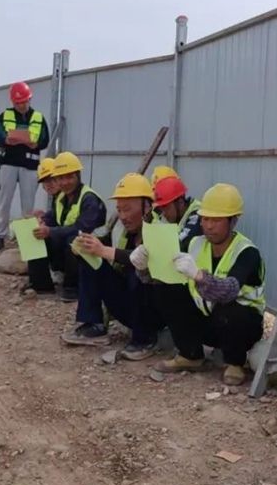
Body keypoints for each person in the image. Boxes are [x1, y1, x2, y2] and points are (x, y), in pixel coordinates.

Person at [147, 183, 265, 386]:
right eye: (205, 219)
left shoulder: (247, 252)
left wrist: (199, 275)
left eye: (216, 220)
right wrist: (145, 266)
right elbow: (170, 275)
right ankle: (190, 354)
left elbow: (229, 290)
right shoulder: (196, 243)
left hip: (242, 328)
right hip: (209, 320)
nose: (208, 226)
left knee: (231, 310)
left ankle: (235, 362)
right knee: (166, 290)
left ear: (233, 221)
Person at [65, 173, 165, 360]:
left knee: (138, 272)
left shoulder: (160, 229)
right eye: (119, 210)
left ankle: (145, 339)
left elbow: (143, 259)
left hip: (154, 311)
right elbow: (111, 255)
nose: (123, 216)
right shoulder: (122, 230)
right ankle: (94, 324)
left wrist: (103, 250)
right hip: (128, 306)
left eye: (127, 209)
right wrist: (86, 247)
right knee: (89, 259)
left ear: (147, 206)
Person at [34, 151, 106, 301]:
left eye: (69, 177)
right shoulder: (62, 198)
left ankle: (73, 288)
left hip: (94, 250)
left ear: (78, 176)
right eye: (61, 178)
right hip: (69, 250)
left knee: (75, 239)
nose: (65, 182)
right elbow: (53, 217)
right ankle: (42, 285)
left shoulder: (89, 199)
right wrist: (41, 222)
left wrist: (50, 231)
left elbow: (80, 228)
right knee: (36, 234)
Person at [0, 81, 49, 251]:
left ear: (29, 99)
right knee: (4, 201)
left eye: (24, 101)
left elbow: (45, 139)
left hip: (29, 165)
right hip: (9, 162)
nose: (21, 105)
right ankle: (0, 235)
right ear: (12, 102)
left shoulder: (38, 117)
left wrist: (36, 144)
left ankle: (26, 240)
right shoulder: (5, 116)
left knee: (28, 205)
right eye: (18, 102)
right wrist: (6, 140)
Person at [23, 157, 58, 295]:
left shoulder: (66, 196)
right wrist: (43, 218)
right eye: (45, 182)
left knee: (35, 234)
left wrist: (46, 224)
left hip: (70, 244)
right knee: (32, 230)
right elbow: (56, 216)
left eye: (52, 179)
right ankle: (38, 281)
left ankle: (41, 284)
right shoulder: (58, 198)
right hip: (64, 239)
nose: (48, 185)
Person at [152, 175, 202, 249]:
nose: (163, 213)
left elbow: (181, 244)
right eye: (161, 208)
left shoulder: (197, 215)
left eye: (166, 207)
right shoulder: (168, 216)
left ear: (180, 202)